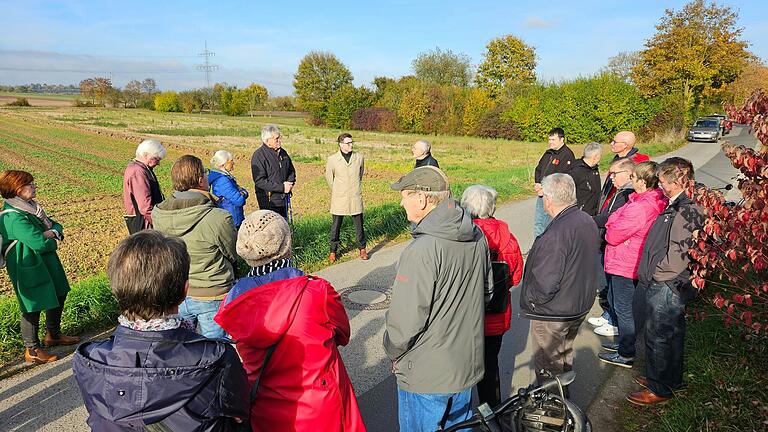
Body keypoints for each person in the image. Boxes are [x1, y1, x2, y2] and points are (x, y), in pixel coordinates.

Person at [73, 230, 250, 430]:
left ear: (116, 289)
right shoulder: (216, 357)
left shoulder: (89, 358)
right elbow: (240, 412)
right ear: (185, 291)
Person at [214, 210, 365, 432]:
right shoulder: (317, 291)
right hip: (319, 407)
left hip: (264, 408)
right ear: (286, 244)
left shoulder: (233, 301)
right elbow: (343, 334)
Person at [384, 166, 491, 432]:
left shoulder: (421, 251)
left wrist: (392, 351)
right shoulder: (477, 236)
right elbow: (487, 292)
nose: (401, 201)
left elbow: (405, 323)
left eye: (405, 195)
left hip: (426, 375)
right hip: (466, 367)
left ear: (421, 199)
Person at [627, 157, 704, 406]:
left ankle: (659, 388)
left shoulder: (686, 209)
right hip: (668, 282)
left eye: (662, 180)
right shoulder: (676, 205)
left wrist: (658, 274)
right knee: (670, 333)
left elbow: (678, 254)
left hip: (668, 284)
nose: (659, 184)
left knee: (659, 334)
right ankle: (667, 378)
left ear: (676, 180)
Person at [520, 173, 599, 386]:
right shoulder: (586, 220)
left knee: (549, 365)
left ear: (548, 199)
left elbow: (547, 281)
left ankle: (554, 413)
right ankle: (566, 406)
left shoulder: (556, 233)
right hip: (577, 304)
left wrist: (534, 302)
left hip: (555, 312)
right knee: (563, 356)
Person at [153, 155, 237, 339]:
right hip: (212, 292)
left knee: (181, 349)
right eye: (205, 173)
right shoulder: (218, 217)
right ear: (200, 180)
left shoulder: (158, 213)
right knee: (215, 350)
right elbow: (232, 253)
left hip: (177, 292)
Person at [0, 170, 80, 364]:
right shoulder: (13, 217)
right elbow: (39, 243)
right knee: (32, 305)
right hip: (27, 263)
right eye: (30, 184)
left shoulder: (31, 208)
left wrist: (50, 232)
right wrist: (50, 237)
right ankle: (32, 349)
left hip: (44, 261)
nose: (35, 187)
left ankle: (53, 333)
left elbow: (55, 225)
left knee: (60, 292)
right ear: (18, 189)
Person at [598, 162, 667, 368]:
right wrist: (613, 222)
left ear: (643, 182)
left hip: (624, 263)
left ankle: (626, 352)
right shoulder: (647, 201)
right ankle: (623, 344)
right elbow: (614, 219)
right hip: (628, 259)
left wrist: (611, 225)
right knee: (620, 304)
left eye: (634, 177)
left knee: (623, 308)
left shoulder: (639, 207)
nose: (631, 180)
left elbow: (613, 234)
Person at [460, 185, 523, 408]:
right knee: (490, 365)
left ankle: (461, 415)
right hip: (496, 315)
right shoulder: (508, 238)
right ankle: (492, 412)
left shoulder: (462, 236)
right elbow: (516, 278)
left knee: (461, 367)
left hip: (465, 319)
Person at [588, 158, 636, 337]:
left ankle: (616, 325)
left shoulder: (628, 194)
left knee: (617, 293)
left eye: (615, 174)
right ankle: (610, 316)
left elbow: (611, 217)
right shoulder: (620, 191)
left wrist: (590, 220)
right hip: (609, 246)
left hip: (619, 250)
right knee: (610, 287)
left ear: (628, 174)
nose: (611, 177)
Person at [326, 133, 368, 263]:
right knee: (336, 225)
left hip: (355, 195)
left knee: (359, 224)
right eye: (348, 143)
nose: (351, 145)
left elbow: (360, 174)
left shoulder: (359, 157)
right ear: (341, 144)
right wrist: (338, 190)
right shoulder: (332, 159)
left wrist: (353, 187)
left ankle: (362, 248)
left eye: (351, 142)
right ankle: (333, 250)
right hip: (340, 197)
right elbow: (329, 177)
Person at [533, 128, 575, 237]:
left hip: (553, 196)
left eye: (553, 139)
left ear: (562, 139)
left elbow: (561, 178)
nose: (550, 142)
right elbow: (538, 169)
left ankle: (547, 247)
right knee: (539, 223)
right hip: (542, 193)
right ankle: (537, 246)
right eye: (549, 139)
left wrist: (546, 189)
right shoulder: (548, 153)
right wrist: (537, 183)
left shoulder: (567, 155)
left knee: (549, 224)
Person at [251, 124, 296, 219]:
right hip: (269, 201)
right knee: (271, 230)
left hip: (283, 199)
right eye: (276, 139)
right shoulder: (258, 156)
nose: (279, 140)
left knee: (283, 227)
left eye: (279, 138)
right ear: (267, 141)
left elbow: (291, 171)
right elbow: (259, 181)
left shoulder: (283, 153)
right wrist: (282, 187)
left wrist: (290, 183)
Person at [599, 131, 649, 213]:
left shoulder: (638, 163)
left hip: (621, 206)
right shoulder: (617, 159)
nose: (611, 144)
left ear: (625, 145)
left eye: (615, 142)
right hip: (608, 205)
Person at [122, 138, 166, 233]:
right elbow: (145, 207)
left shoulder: (141, 168)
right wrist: (160, 225)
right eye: (156, 159)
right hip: (145, 226)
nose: (158, 163)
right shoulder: (138, 172)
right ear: (145, 155)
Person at [209, 150, 249, 229]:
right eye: (231, 161)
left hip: (230, 217)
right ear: (223, 164)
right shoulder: (222, 180)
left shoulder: (222, 177)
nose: (233, 163)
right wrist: (243, 193)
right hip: (232, 219)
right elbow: (239, 200)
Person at [570, 142, 603, 216]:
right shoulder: (576, 171)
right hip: (580, 213)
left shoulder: (594, 168)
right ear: (595, 157)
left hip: (593, 211)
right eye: (600, 155)